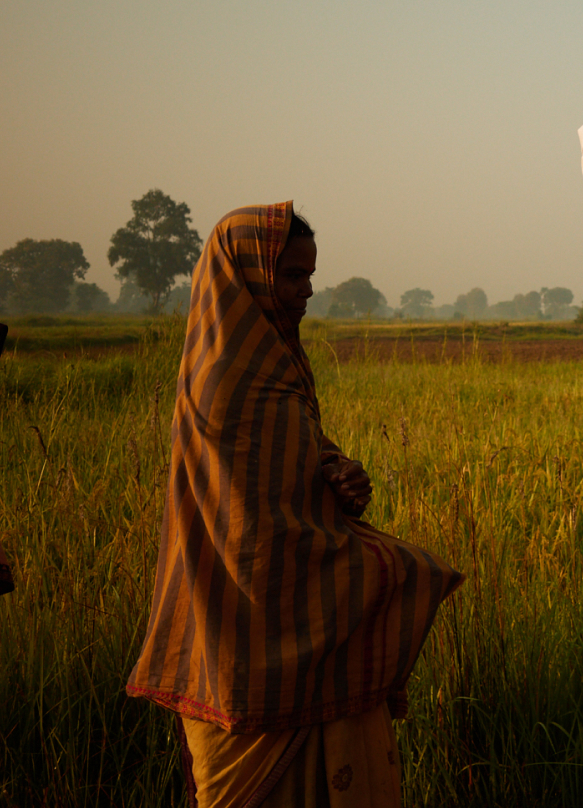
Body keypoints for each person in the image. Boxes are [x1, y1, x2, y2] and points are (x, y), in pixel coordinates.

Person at [126, 204, 463, 807]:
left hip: (259, 627)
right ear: (250, 277)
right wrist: (396, 570)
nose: (307, 290)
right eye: (291, 277)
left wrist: (338, 474)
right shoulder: (230, 383)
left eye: (310, 276)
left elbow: (297, 468)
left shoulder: (275, 366)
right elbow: (255, 538)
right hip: (249, 632)